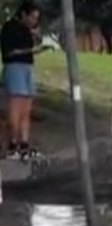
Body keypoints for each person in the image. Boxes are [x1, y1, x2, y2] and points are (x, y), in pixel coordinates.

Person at [1, 1, 47, 160]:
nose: (34, 22)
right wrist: (31, 50)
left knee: (26, 108)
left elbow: (31, 46)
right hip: (14, 67)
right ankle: (13, 144)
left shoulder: (27, 31)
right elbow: (9, 52)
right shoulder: (9, 28)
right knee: (16, 106)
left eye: (36, 19)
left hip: (28, 67)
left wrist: (37, 38)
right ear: (23, 14)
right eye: (32, 18)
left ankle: (24, 143)